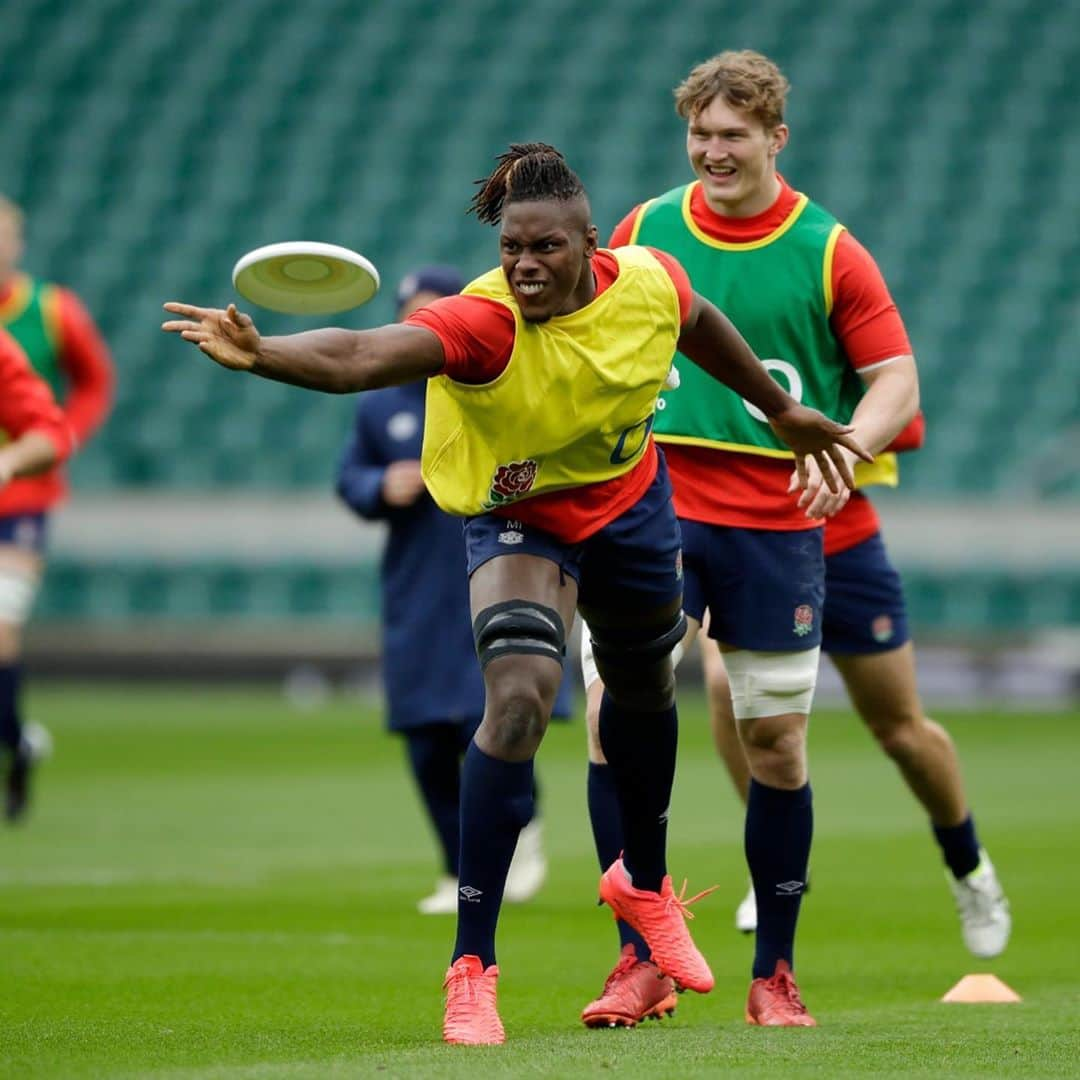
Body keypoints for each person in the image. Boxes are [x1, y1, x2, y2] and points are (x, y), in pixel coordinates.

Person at [162, 142, 869, 1045]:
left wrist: (778, 408)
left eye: (545, 250)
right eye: (511, 252)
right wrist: (264, 355)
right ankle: (472, 967)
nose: (526, 267)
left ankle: (642, 889)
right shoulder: (481, 325)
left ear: (588, 245)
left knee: (646, 693)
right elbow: (358, 352)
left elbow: (700, 324)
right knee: (520, 702)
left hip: (628, 505)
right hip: (517, 515)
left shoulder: (647, 281)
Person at [579, 50, 930, 1028]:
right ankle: (638, 962)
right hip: (649, 510)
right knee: (615, 718)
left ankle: (773, 976)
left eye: (734, 135)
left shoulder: (829, 248)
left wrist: (849, 447)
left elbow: (897, 376)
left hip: (776, 525)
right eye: (701, 135)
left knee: (775, 745)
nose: (714, 152)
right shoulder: (647, 229)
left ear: (778, 136)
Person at [701, 414, 1011, 959]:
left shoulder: (830, 330)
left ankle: (968, 865)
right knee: (727, 690)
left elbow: (910, 424)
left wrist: (802, 421)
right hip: (739, 530)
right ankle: (776, 858)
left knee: (900, 730)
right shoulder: (702, 333)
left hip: (839, 536)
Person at [335, 264, 572, 914]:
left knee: (491, 717)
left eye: (434, 309)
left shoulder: (491, 387)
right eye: (412, 310)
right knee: (425, 740)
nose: (422, 323)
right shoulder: (381, 402)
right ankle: (453, 867)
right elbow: (348, 478)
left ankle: (520, 838)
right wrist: (379, 486)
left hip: (494, 568)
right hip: (417, 588)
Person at [0, 196, 114, 821]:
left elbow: (93, 379)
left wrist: (60, 438)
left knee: (2, 627)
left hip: (20, 496)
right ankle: (16, 740)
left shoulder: (49, 309)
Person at [0, 325, 75, 818]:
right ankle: (18, 739)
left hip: (15, 510)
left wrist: (7, 463)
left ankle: (14, 750)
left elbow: (52, 433)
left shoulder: (44, 313)